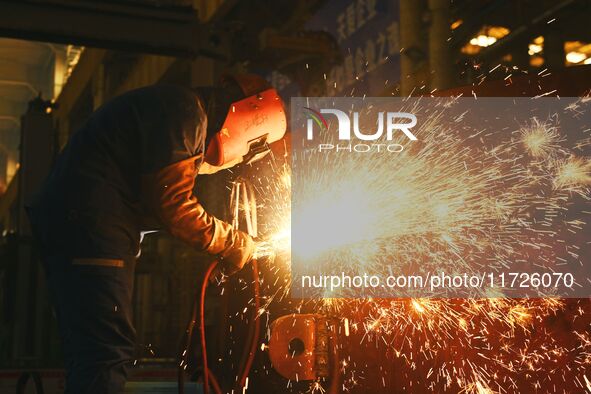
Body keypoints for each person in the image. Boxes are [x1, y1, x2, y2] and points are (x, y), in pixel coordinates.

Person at [26, 74, 287, 394]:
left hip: (77, 221)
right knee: (104, 354)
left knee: (90, 353)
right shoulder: (187, 113)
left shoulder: (178, 112)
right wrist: (232, 242)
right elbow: (173, 205)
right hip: (91, 225)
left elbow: (160, 202)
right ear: (250, 116)